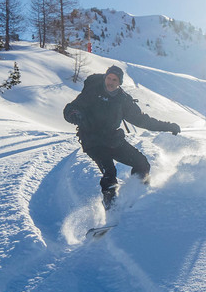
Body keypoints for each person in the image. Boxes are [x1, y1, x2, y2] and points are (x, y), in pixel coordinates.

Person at [63, 64, 181, 207]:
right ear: (105, 78)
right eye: (109, 78)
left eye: (115, 80)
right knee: (110, 173)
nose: (110, 82)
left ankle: (135, 199)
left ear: (120, 83)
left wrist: (168, 126)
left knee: (142, 163)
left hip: (112, 139)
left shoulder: (123, 100)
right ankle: (111, 211)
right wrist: (74, 114)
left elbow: (143, 120)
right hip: (92, 140)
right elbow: (71, 108)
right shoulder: (92, 92)